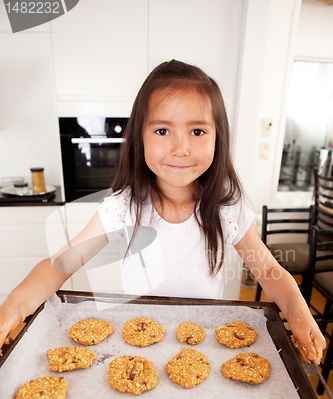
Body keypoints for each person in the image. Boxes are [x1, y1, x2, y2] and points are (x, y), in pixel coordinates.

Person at [0, 60, 325, 365]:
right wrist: (16, 302)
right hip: (135, 346)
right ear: (140, 137)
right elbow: (60, 265)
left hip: (202, 350)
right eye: (162, 131)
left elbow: (269, 270)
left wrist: (298, 312)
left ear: (218, 137)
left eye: (197, 131)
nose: (180, 148)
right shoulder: (123, 207)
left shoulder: (226, 209)